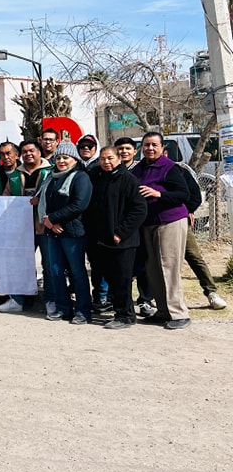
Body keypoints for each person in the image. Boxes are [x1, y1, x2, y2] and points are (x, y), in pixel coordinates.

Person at [132, 131, 192, 330]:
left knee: (169, 266)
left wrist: (159, 193)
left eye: (154, 145)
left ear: (161, 148)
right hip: (148, 223)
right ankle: (163, 311)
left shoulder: (170, 168)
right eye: (146, 145)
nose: (150, 148)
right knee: (153, 268)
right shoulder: (138, 169)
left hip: (170, 221)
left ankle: (178, 313)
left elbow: (184, 194)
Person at [83, 146, 148, 329]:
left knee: (122, 279)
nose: (106, 162)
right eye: (103, 159)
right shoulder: (96, 176)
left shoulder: (128, 180)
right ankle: (118, 312)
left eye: (110, 158)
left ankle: (126, 315)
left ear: (119, 158)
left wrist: (121, 232)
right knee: (110, 279)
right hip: (100, 240)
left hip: (123, 241)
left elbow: (139, 210)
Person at [0, 139, 54, 314]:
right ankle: (16, 299)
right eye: (25, 151)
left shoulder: (51, 172)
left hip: (45, 227)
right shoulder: (13, 175)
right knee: (19, 264)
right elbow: (5, 199)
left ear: (39, 152)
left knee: (49, 265)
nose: (28, 154)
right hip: (21, 228)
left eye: (32, 150)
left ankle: (51, 300)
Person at [38, 141, 93, 324]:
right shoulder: (51, 177)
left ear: (74, 159)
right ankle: (63, 308)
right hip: (53, 231)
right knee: (55, 270)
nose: (61, 161)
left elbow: (79, 204)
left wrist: (53, 218)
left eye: (65, 157)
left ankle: (83, 311)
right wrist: (49, 222)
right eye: (58, 157)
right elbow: (45, 201)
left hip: (72, 232)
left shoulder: (80, 177)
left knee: (77, 272)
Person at [174, 161, 228, 310]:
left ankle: (211, 292)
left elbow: (195, 196)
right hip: (151, 224)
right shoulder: (141, 172)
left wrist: (188, 210)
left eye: (155, 146)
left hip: (178, 222)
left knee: (193, 256)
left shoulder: (178, 171)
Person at [113, 136, 154, 315]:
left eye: (127, 148)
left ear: (134, 151)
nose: (123, 152)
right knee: (122, 270)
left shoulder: (139, 170)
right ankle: (121, 302)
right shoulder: (110, 171)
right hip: (119, 229)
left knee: (143, 265)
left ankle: (145, 300)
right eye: (120, 149)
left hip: (141, 225)